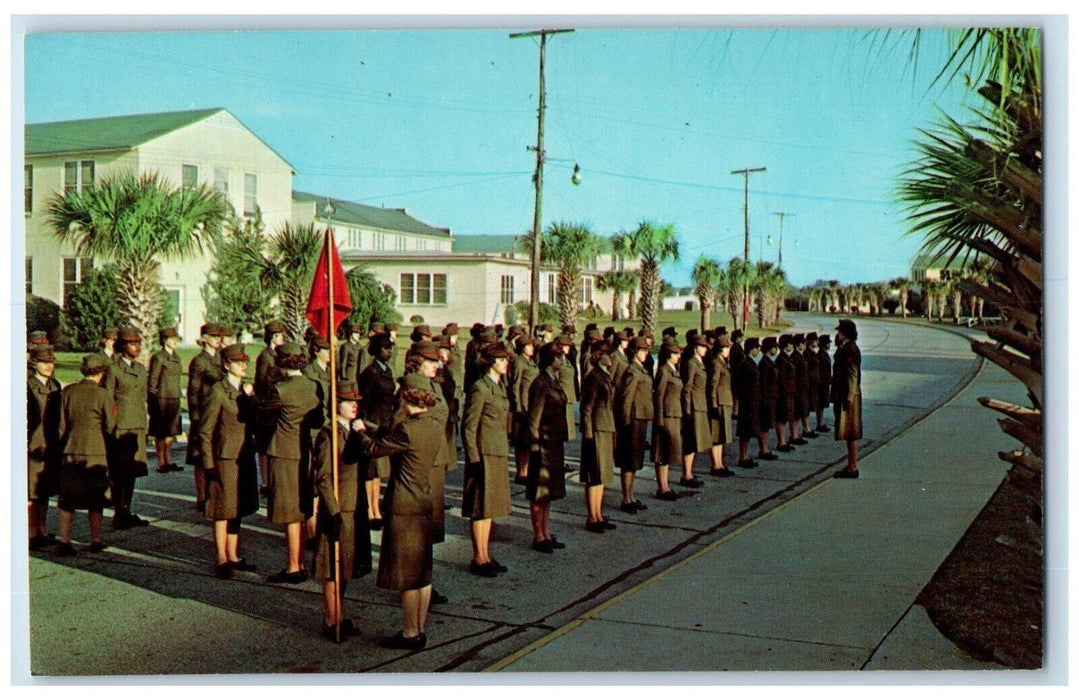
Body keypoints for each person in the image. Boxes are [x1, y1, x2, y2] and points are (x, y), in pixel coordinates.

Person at [358, 387, 443, 650]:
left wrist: (358, 431)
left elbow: (374, 449)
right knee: (422, 573)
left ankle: (409, 633)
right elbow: (391, 436)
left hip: (404, 505)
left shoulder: (407, 430)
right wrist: (373, 426)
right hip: (424, 502)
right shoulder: (434, 425)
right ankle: (419, 627)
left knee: (407, 575)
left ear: (408, 401)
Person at [312, 383, 372, 642]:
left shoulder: (352, 430)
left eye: (356, 400)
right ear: (336, 405)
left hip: (354, 506)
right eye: (348, 401)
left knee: (345, 566)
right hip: (338, 508)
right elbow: (323, 477)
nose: (354, 405)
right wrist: (333, 511)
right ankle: (331, 619)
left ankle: (339, 614)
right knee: (331, 567)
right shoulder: (328, 435)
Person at [399, 339, 454, 605]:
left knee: (430, 527)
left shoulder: (434, 385)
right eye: (431, 361)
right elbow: (399, 423)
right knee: (419, 528)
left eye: (437, 361)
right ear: (418, 361)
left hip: (436, 457)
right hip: (420, 461)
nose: (436, 365)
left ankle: (425, 584)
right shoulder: (411, 386)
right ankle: (416, 584)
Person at [261, 342, 322, 583]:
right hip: (305, 450)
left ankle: (293, 567)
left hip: (284, 452)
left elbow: (262, 414)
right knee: (302, 507)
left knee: (289, 514)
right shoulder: (314, 386)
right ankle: (299, 563)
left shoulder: (280, 390)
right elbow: (318, 419)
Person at [199, 343, 260, 579]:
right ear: (226, 365)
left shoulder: (244, 391)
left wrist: (251, 400)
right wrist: (209, 464)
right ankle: (222, 559)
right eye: (238, 362)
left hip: (243, 456)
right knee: (222, 509)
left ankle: (233, 555)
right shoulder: (218, 392)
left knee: (238, 508)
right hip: (224, 458)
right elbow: (205, 431)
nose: (243, 365)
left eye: (245, 361)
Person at [461, 342, 513, 575]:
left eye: (506, 360)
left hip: (497, 451)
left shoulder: (499, 386)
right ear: (491, 362)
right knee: (479, 507)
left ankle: (486, 555)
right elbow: (469, 426)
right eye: (501, 360)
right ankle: (478, 557)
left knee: (489, 507)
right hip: (483, 454)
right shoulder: (480, 388)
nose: (505, 363)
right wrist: (474, 458)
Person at [55, 354, 116, 555]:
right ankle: (96, 539)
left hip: (71, 450)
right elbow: (110, 426)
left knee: (67, 498)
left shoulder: (68, 392)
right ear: (101, 372)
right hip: (95, 451)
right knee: (96, 498)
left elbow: (61, 427)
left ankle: (64, 540)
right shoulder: (103, 395)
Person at [105, 327, 150, 529]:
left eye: (138, 343)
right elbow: (108, 399)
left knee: (133, 471)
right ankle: (119, 513)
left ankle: (126, 510)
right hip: (121, 426)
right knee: (120, 472)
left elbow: (144, 397)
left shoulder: (140, 369)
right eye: (132, 343)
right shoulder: (114, 368)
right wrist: (110, 426)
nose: (137, 347)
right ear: (122, 346)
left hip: (138, 424)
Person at [527, 342, 570, 552]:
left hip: (554, 444)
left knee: (548, 492)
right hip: (542, 445)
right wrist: (535, 447)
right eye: (558, 357)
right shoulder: (541, 383)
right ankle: (538, 536)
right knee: (539, 492)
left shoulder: (553, 381)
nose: (561, 360)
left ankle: (545, 531)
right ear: (550, 360)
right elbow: (534, 419)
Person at [359, 333, 397, 529]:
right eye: (384, 348)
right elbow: (364, 402)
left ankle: (376, 508)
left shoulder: (386, 370)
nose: (388, 351)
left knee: (379, 471)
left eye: (390, 347)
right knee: (370, 470)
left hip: (384, 423)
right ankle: (369, 511)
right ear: (376, 350)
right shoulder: (370, 373)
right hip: (372, 423)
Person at [187, 323, 226, 512]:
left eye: (219, 336)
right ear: (204, 339)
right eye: (213, 336)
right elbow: (193, 391)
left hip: (218, 411)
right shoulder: (199, 361)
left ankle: (212, 492)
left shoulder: (220, 358)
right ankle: (201, 495)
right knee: (200, 457)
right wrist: (195, 417)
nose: (217, 339)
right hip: (203, 411)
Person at [579, 343, 617, 532]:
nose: (610, 356)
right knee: (593, 475)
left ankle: (598, 514)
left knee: (601, 474)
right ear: (597, 356)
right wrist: (588, 435)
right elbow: (587, 409)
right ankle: (592, 517)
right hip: (596, 430)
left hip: (605, 427)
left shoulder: (605, 375)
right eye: (607, 354)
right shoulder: (593, 377)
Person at [28, 345, 62, 549]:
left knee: (45, 489)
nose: (49, 366)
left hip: (51, 444)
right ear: (34, 364)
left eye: (51, 362)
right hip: (35, 444)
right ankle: (31, 533)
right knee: (32, 491)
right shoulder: (28, 386)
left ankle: (42, 529)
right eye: (44, 362)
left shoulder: (55, 385)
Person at [616, 336, 653, 513]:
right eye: (642, 350)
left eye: (646, 350)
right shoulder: (632, 371)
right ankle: (626, 498)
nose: (645, 353)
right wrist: (625, 421)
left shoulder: (640, 369)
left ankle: (631, 496)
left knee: (635, 460)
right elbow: (626, 398)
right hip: (632, 419)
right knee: (629, 461)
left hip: (640, 418)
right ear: (634, 352)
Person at [255, 320, 287, 494]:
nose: (282, 338)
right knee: (264, 445)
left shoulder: (279, 354)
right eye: (279, 335)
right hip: (267, 404)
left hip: (277, 404)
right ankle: (266, 482)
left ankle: (272, 480)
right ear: (273, 337)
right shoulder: (265, 356)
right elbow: (260, 381)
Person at [651, 338, 684, 501]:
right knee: (662, 452)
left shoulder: (673, 370)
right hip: (666, 415)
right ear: (668, 355)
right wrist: (659, 420)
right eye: (676, 353)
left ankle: (665, 485)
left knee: (668, 452)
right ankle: (662, 487)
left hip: (674, 414)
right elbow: (658, 396)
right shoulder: (664, 371)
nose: (678, 356)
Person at [148, 328, 184, 473]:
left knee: (171, 432)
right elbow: (153, 381)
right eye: (172, 339)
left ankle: (168, 460)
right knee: (161, 432)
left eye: (176, 339)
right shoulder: (158, 357)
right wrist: (153, 399)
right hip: (162, 398)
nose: (175, 341)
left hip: (174, 396)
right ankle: (161, 461)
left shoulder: (176, 357)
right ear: (164, 340)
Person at [832, 320, 863, 478]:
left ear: (845, 333)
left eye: (840, 332)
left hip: (849, 396)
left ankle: (852, 467)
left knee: (851, 432)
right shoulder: (845, 348)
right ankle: (851, 465)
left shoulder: (849, 349)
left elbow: (852, 374)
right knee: (849, 432)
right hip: (846, 394)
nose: (838, 334)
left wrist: (849, 398)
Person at [679, 334, 710, 488]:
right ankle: (686, 474)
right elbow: (687, 388)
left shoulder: (699, 362)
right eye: (702, 346)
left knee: (694, 442)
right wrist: (687, 410)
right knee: (690, 441)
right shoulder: (692, 364)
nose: (705, 349)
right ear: (695, 348)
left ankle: (689, 472)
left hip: (700, 406)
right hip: (694, 407)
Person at [706, 330, 736, 477]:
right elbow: (713, 385)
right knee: (716, 436)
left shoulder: (723, 362)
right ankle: (716, 465)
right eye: (727, 347)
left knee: (721, 436)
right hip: (718, 402)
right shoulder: (716, 363)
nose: (728, 350)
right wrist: (713, 405)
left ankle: (720, 464)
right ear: (720, 349)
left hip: (724, 401)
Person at [510, 335, 539, 484]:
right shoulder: (519, 362)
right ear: (523, 347)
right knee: (522, 443)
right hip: (523, 406)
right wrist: (518, 407)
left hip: (531, 405)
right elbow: (515, 386)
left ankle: (525, 470)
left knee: (527, 441)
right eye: (529, 346)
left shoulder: (530, 362)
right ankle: (521, 472)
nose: (532, 348)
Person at [734, 337, 763, 469]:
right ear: (752, 349)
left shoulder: (751, 363)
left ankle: (745, 456)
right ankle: (742, 456)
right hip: (747, 401)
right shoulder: (746, 364)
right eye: (757, 348)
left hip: (752, 400)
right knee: (745, 431)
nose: (758, 350)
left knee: (749, 430)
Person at [756, 337, 781, 463]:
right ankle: (763, 449)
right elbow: (764, 382)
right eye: (774, 347)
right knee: (764, 424)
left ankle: (765, 449)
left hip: (772, 396)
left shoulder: (769, 362)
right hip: (766, 397)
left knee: (767, 423)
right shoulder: (764, 363)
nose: (776, 349)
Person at [773, 334, 797, 454]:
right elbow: (781, 378)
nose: (793, 346)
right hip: (783, 392)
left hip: (789, 391)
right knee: (781, 417)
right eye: (791, 344)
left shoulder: (787, 358)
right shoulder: (781, 359)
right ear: (786, 345)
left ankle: (784, 440)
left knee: (786, 417)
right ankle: (781, 441)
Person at [816, 334, 833, 433]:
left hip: (826, 382)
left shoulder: (824, 354)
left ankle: (821, 422)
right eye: (827, 343)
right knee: (821, 403)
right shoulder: (820, 355)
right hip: (822, 382)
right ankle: (820, 423)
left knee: (823, 403)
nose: (829, 345)